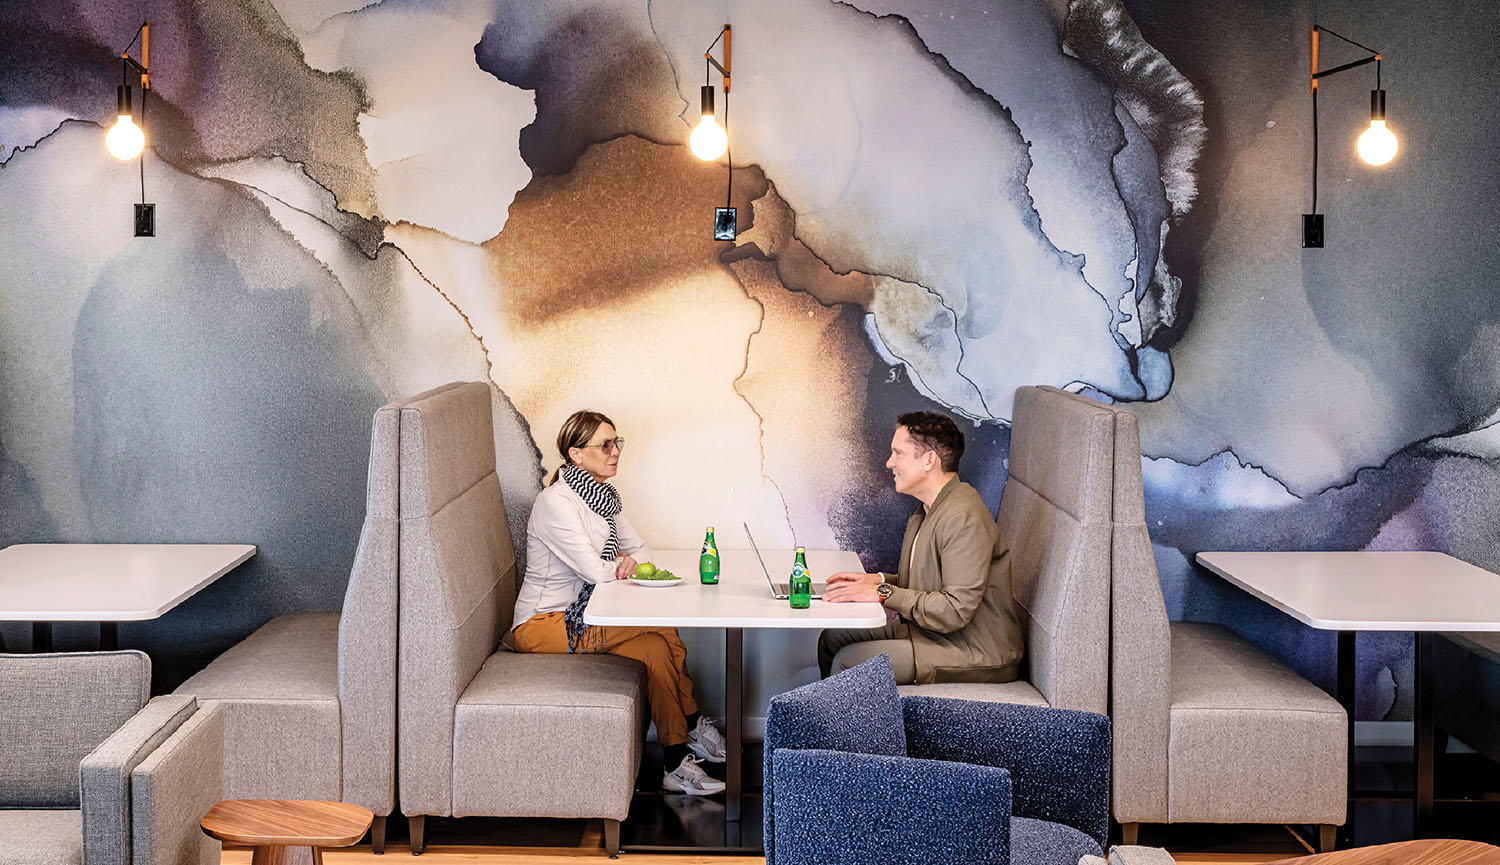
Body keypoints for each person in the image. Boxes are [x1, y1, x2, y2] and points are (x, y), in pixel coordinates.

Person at [512, 410, 726, 796]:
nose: (615, 452)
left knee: (657, 648)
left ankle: (676, 762)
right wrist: (624, 567)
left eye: (617, 443)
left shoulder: (602, 498)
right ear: (576, 454)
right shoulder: (555, 503)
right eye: (605, 445)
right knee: (661, 625)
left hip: (583, 615)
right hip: (543, 624)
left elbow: (640, 551)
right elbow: (595, 570)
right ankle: (692, 718)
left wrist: (630, 565)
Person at [819, 411, 1025, 685]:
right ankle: (829, 727)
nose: (889, 463)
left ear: (929, 460)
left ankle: (855, 728)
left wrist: (881, 593)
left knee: (851, 661)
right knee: (832, 639)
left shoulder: (962, 517)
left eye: (898, 454)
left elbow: (954, 609)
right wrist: (877, 581)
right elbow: (928, 584)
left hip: (975, 650)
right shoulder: (926, 510)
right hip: (936, 636)